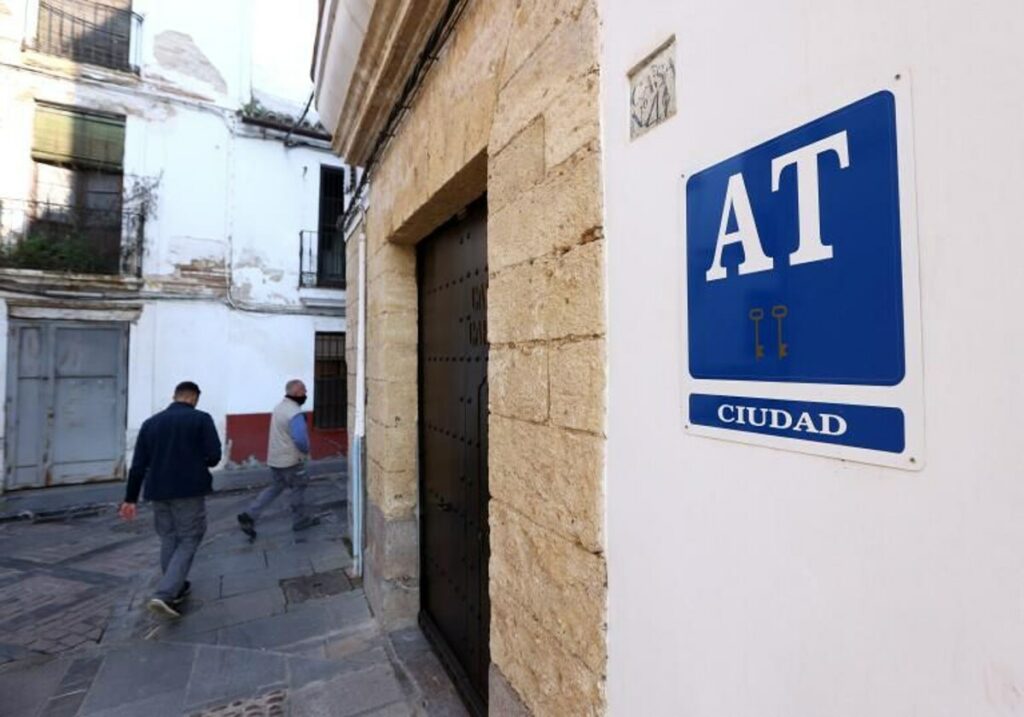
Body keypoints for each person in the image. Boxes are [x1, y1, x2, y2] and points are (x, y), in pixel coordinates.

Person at [118, 381, 222, 619]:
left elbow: (138, 465)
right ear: (194, 398)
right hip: (189, 489)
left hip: (158, 490)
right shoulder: (201, 419)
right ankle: (165, 593)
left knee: (169, 538)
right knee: (190, 538)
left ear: (175, 396)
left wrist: (130, 498)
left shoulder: (150, 423)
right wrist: (198, 462)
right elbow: (214, 456)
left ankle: (177, 587)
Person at [237, 379, 316, 539]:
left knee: (275, 487)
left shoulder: (279, 407)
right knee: (299, 488)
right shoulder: (295, 413)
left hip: (275, 459)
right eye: (304, 391)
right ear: (296, 392)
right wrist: (306, 451)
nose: (306, 394)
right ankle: (300, 520)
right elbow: (300, 439)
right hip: (292, 461)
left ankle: (250, 514)